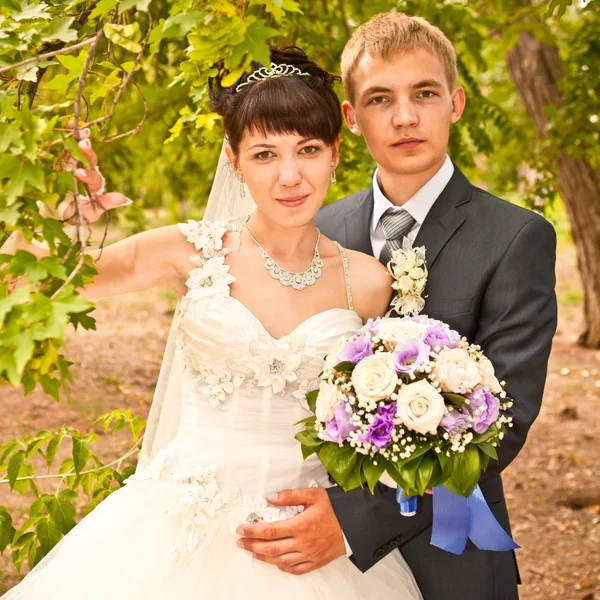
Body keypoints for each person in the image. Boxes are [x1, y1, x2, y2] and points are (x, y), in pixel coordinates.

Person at [0, 48, 423, 599]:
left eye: (309, 150)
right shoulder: (189, 251)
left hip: (309, 540)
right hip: (178, 532)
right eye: (266, 153)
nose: (291, 176)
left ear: (336, 153)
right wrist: (63, 213)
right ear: (233, 159)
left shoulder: (368, 281)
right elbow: (23, 279)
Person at [235, 13, 557, 600]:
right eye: (381, 99)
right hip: (312, 560)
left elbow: (504, 425)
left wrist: (352, 521)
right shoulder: (317, 226)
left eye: (424, 94)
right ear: (352, 120)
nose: (405, 117)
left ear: (455, 103)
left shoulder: (516, 237)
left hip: (449, 554)